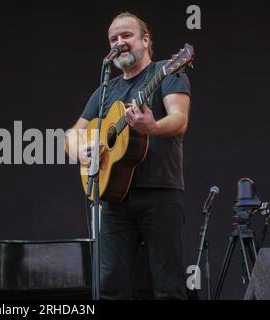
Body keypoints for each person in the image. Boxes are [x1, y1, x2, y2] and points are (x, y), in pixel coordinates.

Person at [65, 12, 191, 299]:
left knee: (168, 285)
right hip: (114, 200)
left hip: (160, 194)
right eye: (113, 39)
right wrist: (81, 151)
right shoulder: (106, 90)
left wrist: (152, 126)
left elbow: (179, 119)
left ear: (145, 40)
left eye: (126, 36)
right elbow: (71, 135)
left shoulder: (168, 71)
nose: (119, 42)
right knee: (111, 286)